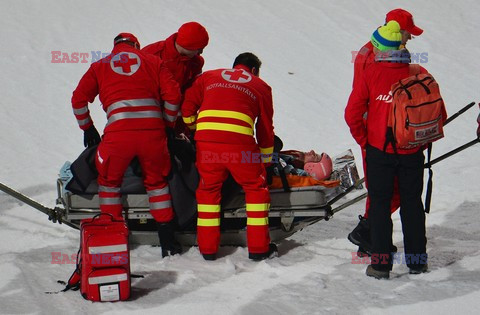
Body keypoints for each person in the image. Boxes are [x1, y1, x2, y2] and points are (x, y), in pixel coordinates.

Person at [71, 33, 183, 258]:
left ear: (114, 47)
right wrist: (169, 125)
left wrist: (88, 128)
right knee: (157, 183)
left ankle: (113, 238)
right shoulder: (154, 61)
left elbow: (78, 100)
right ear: (136, 46)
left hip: (118, 136)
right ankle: (168, 242)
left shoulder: (99, 66)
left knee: (109, 183)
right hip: (153, 134)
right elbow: (173, 96)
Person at [345, 20, 440, 279]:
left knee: (379, 205)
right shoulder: (419, 71)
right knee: (412, 204)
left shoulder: (371, 74)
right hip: (411, 152)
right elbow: (435, 112)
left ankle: (381, 264)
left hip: (379, 152)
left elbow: (352, 113)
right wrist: (421, 141)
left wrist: (365, 140)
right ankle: (418, 262)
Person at [181, 52, 277, 261]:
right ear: (253, 70)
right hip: (240, 147)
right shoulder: (261, 86)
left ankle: (207, 250)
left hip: (207, 146)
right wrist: (266, 163)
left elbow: (187, 109)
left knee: (208, 191)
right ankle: (259, 249)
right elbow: (265, 130)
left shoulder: (209, 77)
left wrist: (195, 128)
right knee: (256, 190)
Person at [142, 21, 209, 135]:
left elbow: (191, 94)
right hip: (148, 120)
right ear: (190, 46)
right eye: (199, 48)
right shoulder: (152, 55)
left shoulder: (196, 63)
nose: (201, 52)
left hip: (176, 125)